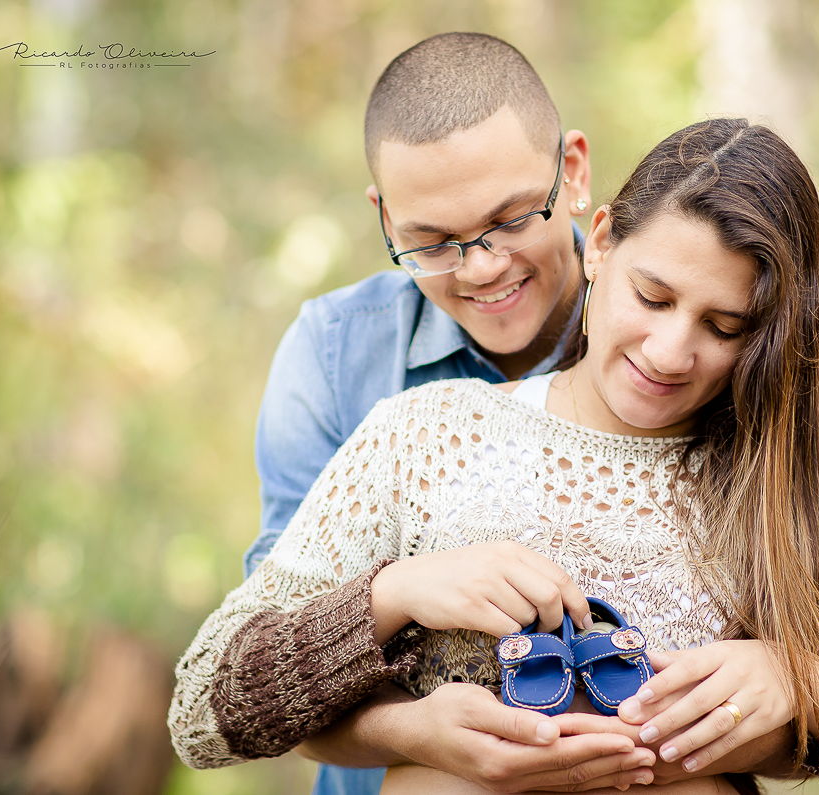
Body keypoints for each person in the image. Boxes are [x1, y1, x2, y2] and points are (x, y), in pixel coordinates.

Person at [169, 118, 819, 794]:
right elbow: (204, 711)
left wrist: (810, 690)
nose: (671, 350)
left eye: (724, 326)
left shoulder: (807, 482)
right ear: (600, 244)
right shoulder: (423, 435)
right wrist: (389, 596)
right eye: (654, 296)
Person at [244, 31, 607, 795]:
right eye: (432, 242)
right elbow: (264, 661)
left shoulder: (666, 340)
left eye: (510, 220)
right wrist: (411, 730)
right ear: (384, 219)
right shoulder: (334, 356)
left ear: (571, 171)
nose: (482, 267)